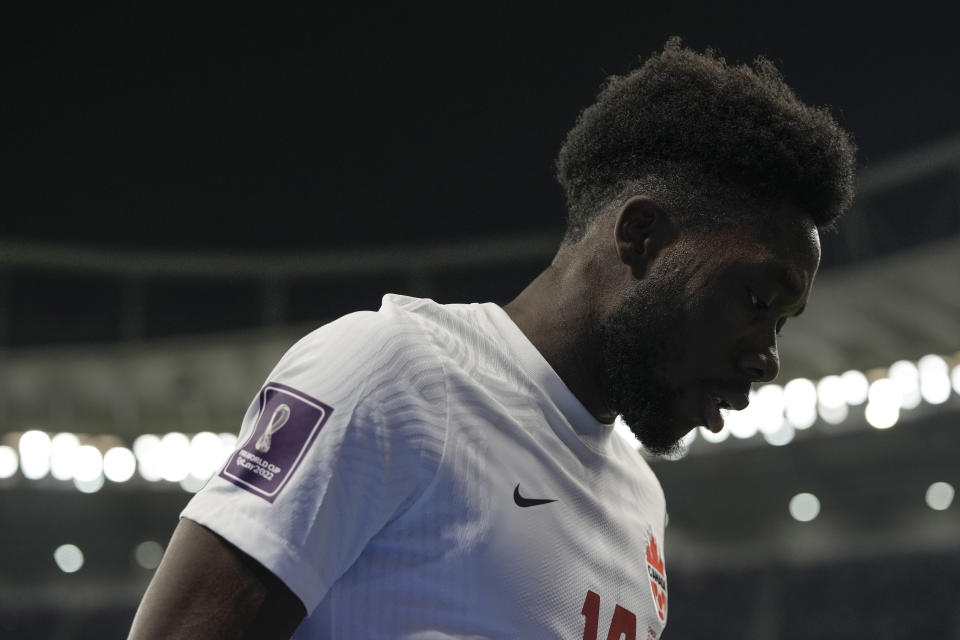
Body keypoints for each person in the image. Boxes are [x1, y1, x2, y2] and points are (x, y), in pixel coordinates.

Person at [128, 38, 856, 639]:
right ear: (640, 237)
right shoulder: (393, 372)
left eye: (783, 323)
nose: (769, 358)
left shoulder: (642, 502)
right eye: (756, 299)